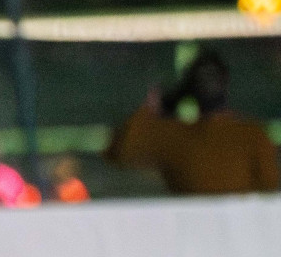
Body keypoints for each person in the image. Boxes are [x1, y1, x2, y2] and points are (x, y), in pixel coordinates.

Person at [105, 48, 279, 194]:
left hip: (220, 229)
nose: (208, 85)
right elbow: (121, 154)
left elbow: (122, 152)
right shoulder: (178, 136)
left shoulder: (250, 135)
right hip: (222, 230)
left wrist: (160, 106)